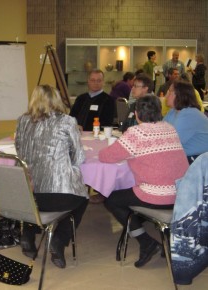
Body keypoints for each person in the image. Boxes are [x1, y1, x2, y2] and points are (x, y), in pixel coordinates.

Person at [99, 95, 189, 268]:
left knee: (112, 200)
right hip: (181, 193)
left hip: (156, 196)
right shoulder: (170, 128)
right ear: (159, 112)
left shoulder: (136, 133)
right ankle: (159, 238)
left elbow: (106, 156)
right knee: (129, 192)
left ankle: (146, 241)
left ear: (136, 114)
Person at [15, 85, 89, 268]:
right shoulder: (67, 121)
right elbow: (79, 157)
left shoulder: (23, 121)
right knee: (82, 197)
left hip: (29, 196)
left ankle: (28, 235)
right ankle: (59, 240)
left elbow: (19, 150)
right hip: (59, 197)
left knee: (42, 199)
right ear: (56, 100)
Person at [163, 80, 208, 164]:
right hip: (187, 157)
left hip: (199, 160)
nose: (166, 95)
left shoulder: (189, 114)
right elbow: (159, 131)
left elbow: (170, 143)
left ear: (178, 95)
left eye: (169, 92)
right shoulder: (173, 111)